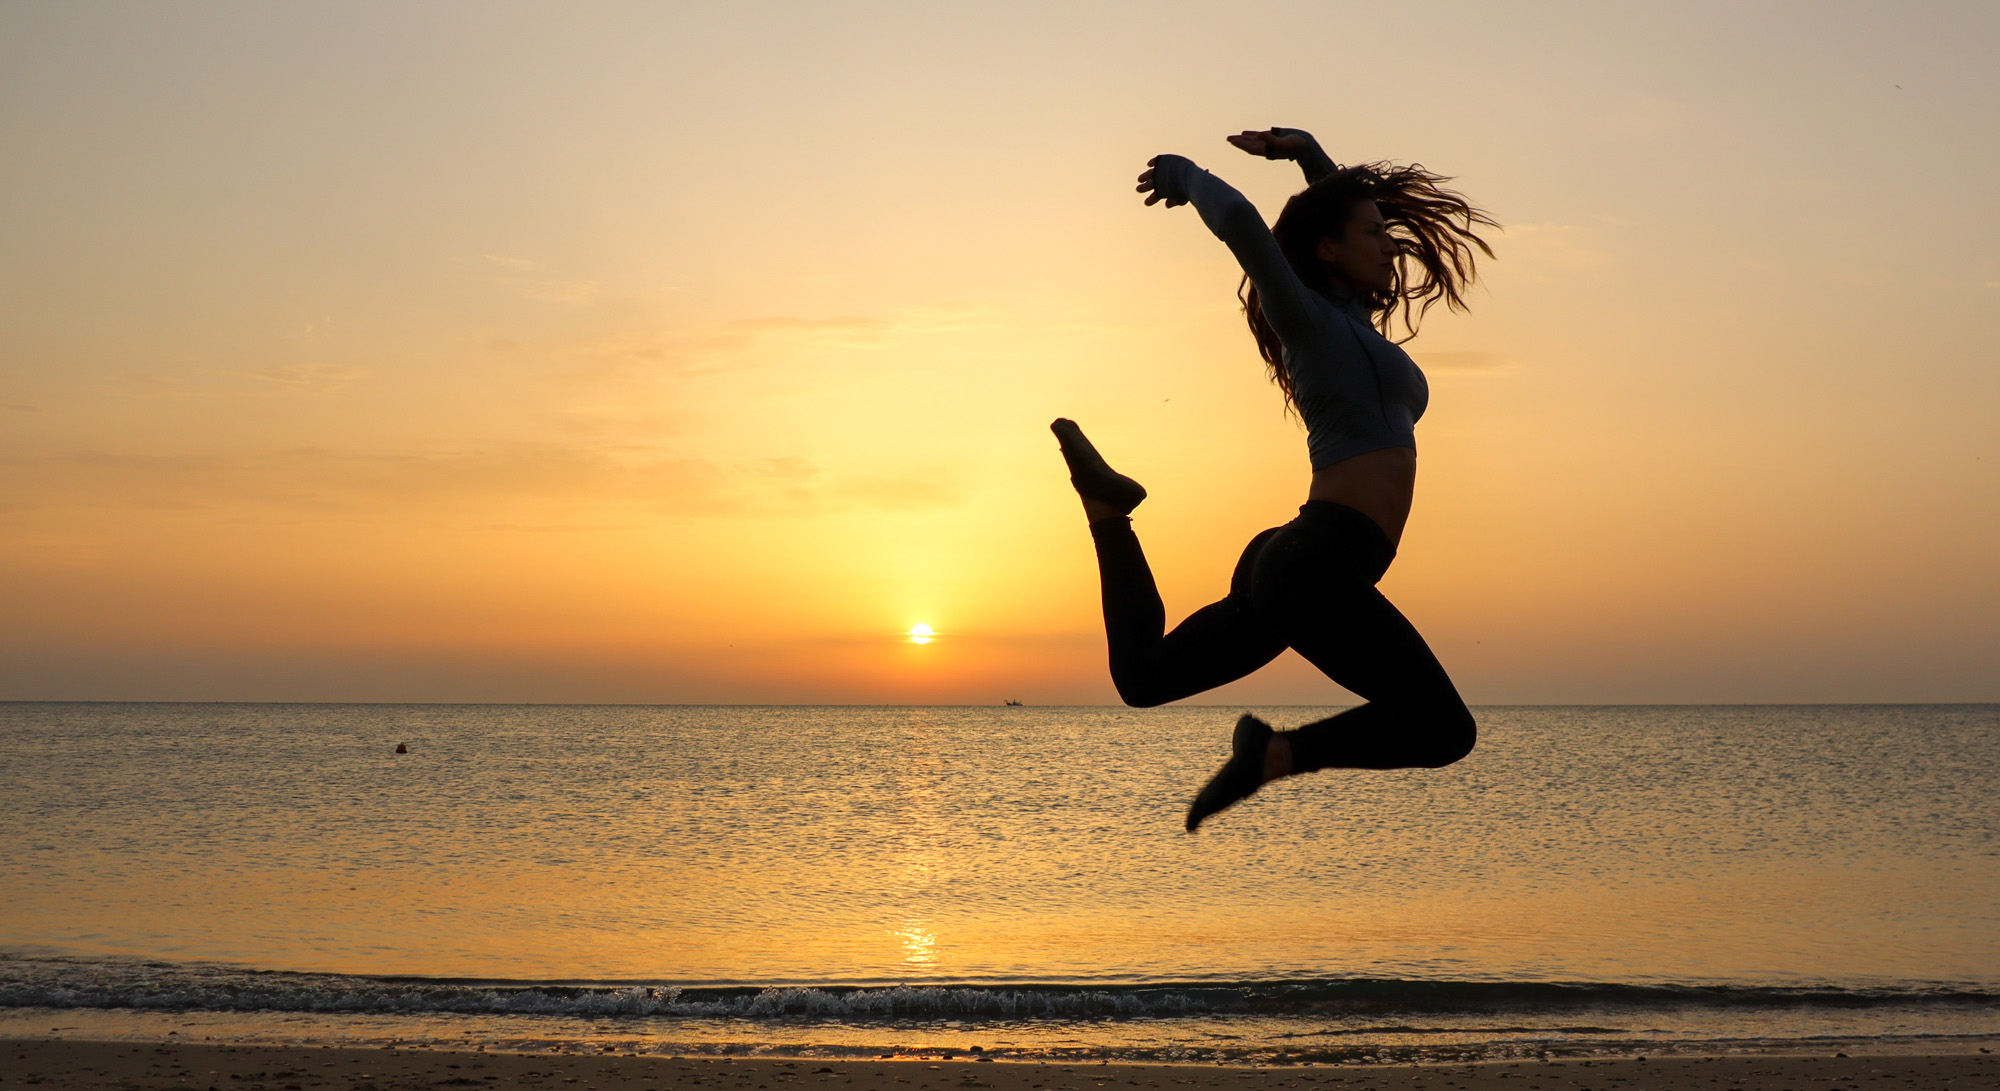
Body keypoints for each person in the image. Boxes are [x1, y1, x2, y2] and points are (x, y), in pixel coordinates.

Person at [1051, 126, 1496, 831]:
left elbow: (1343, 212)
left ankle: (1108, 510)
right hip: (1317, 563)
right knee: (1444, 727)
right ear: (1328, 249)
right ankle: (1276, 755)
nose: (1393, 244)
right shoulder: (1309, 322)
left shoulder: (1353, 321)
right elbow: (1240, 225)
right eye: (1375, 232)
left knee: (1143, 678)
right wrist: (1185, 174)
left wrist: (1309, 154)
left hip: (1294, 559)